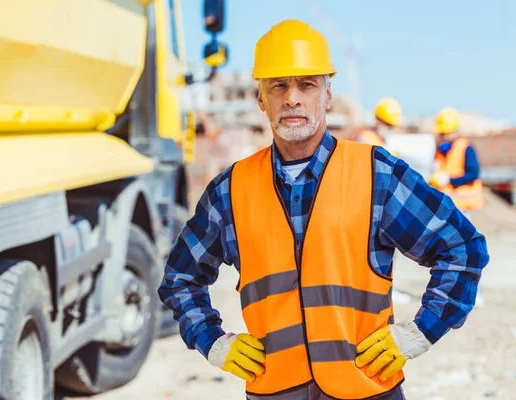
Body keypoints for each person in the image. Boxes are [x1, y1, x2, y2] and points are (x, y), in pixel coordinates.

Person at [158, 19, 489, 400]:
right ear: (261, 99)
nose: (292, 98)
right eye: (278, 85)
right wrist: (212, 341)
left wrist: (420, 332)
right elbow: (180, 279)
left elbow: (462, 249)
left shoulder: (376, 174)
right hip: (276, 391)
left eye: (306, 84)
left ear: (327, 95)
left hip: (366, 390)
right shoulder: (230, 191)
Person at [429, 107, 485, 221]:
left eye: (445, 133)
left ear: (455, 131)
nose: (443, 137)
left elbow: (473, 174)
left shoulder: (466, 148)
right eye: (441, 133)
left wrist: (449, 180)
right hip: (444, 207)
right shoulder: (440, 150)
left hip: (462, 208)